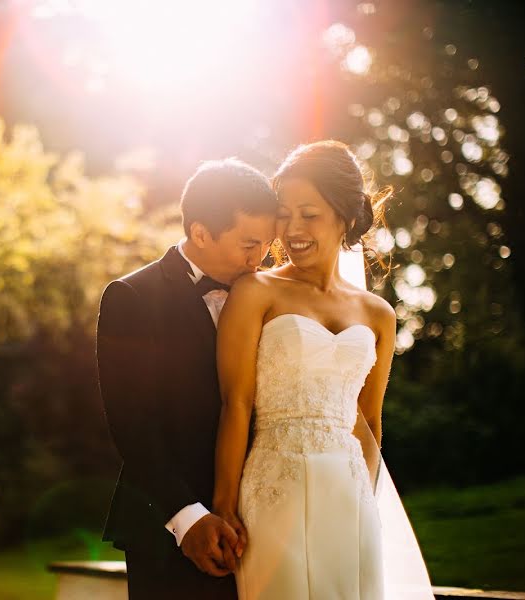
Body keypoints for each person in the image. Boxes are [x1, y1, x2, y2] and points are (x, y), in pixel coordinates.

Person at [213, 140, 435, 599]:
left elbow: (368, 421)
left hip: (350, 496)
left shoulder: (379, 315)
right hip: (274, 487)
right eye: (283, 212)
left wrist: (365, 501)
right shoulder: (255, 292)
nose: (292, 228)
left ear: (345, 217)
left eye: (308, 213)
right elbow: (236, 403)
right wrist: (224, 503)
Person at [96, 158, 278, 599]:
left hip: (264, 522)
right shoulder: (132, 297)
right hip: (167, 530)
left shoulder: (272, 296)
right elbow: (132, 425)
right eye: (249, 245)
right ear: (200, 233)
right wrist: (187, 517)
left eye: (267, 245)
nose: (261, 259)